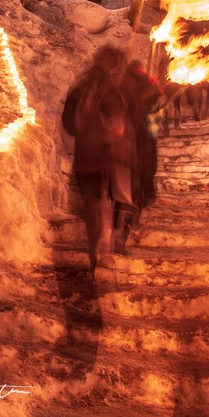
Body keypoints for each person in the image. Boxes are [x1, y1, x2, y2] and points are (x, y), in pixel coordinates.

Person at [62, 46, 137, 273]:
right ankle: (102, 248)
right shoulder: (114, 89)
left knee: (94, 201)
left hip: (90, 155)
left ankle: (99, 248)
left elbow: (69, 123)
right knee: (100, 202)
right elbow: (125, 123)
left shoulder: (85, 85)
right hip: (104, 156)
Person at [120, 60, 162, 251]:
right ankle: (129, 220)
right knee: (138, 174)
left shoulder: (124, 82)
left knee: (131, 178)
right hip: (139, 134)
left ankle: (126, 222)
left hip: (133, 135)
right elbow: (154, 104)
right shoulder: (140, 83)